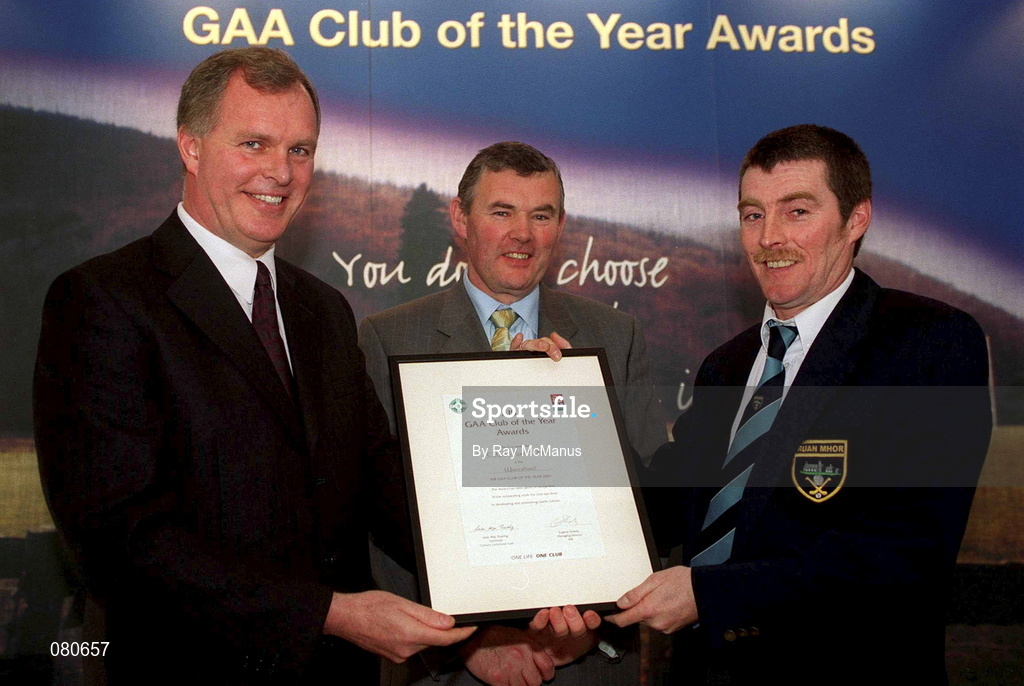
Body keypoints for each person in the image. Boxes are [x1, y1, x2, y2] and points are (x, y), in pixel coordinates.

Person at [33, 47, 473, 685]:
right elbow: (118, 541)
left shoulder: (323, 310)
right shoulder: (105, 300)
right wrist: (329, 613)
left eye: (300, 150)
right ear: (190, 146)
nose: (281, 171)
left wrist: (516, 583)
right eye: (254, 143)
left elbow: (385, 482)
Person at [607, 124, 992, 683]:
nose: (769, 238)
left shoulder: (929, 343)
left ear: (856, 218)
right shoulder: (728, 364)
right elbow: (662, 503)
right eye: (753, 214)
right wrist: (567, 405)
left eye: (797, 212)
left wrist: (713, 595)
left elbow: (905, 551)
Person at [358, 141, 663, 685]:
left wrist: (591, 628)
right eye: (502, 212)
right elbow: (379, 523)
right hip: (450, 671)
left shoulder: (616, 339)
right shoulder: (386, 340)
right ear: (460, 217)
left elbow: (652, 508)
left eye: (540, 215)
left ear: (560, 225)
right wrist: (472, 641)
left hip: (589, 663)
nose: (522, 233)